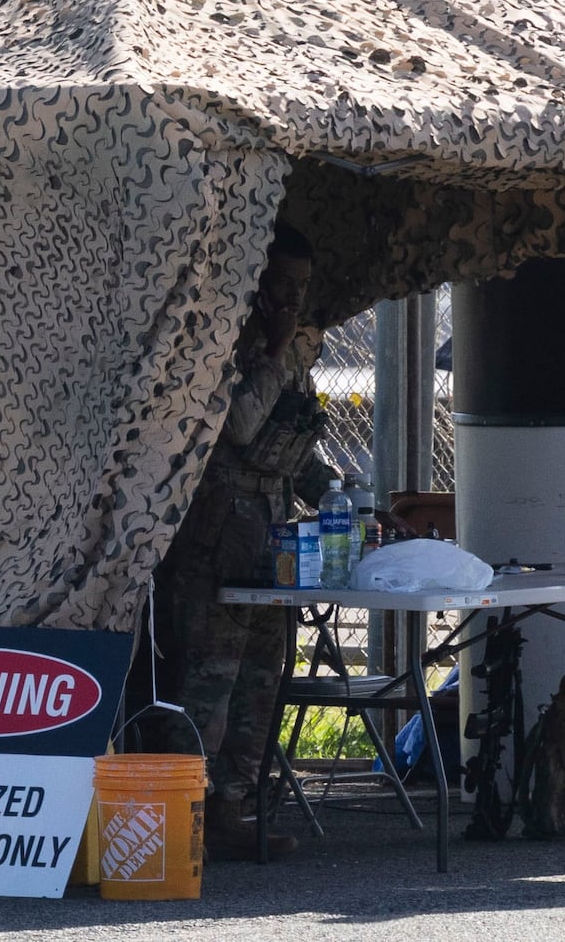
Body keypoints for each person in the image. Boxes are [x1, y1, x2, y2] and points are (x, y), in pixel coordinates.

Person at [155, 221, 338, 860]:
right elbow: (237, 426)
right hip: (216, 542)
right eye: (281, 283)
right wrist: (274, 349)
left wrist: (343, 496)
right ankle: (186, 817)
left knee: (262, 681)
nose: (292, 297)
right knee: (208, 683)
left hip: (269, 541)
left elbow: (289, 449)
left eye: (302, 287)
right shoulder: (218, 345)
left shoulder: (291, 356)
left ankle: (233, 811)